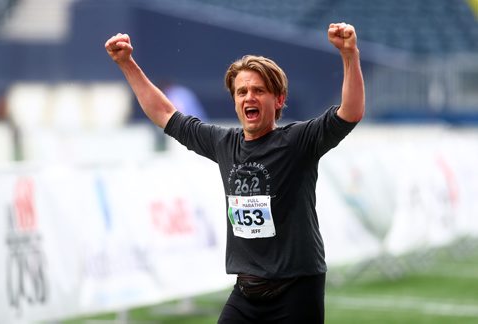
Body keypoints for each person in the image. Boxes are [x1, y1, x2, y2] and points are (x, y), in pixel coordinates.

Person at [105, 22, 364, 324]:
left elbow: (351, 112)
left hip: (296, 290)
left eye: (258, 90)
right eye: (242, 92)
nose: (248, 97)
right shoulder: (223, 143)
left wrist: (349, 55)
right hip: (246, 293)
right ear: (235, 101)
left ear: (278, 99)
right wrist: (126, 64)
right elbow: (164, 113)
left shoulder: (297, 142)